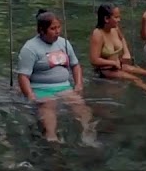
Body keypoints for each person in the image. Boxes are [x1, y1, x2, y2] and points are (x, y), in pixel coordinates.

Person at [17, 9, 97, 145]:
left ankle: (87, 132)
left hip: (64, 86)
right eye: (53, 28)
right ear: (42, 30)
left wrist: (78, 84)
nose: (57, 31)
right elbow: (23, 76)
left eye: (58, 27)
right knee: (49, 106)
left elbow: (75, 65)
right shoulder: (30, 48)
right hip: (42, 89)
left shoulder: (63, 43)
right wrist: (30, 95)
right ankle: (52, 137)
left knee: (80, 105)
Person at [89, 4, 146, 101]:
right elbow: (94, 60)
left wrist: (126, 52)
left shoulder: (115, 28)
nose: (119, 20)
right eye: (116, 17)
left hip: (119, 64)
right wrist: (112, 63)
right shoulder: (98, 34)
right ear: (106, 19)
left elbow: (122, 39)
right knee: (135, 79)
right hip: (106, 70)